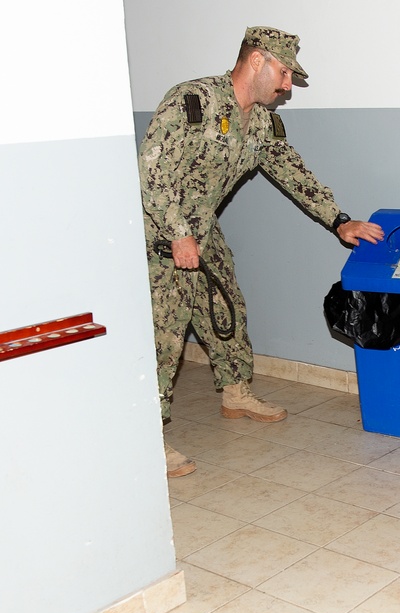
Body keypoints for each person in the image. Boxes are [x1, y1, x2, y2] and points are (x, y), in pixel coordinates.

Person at [139, 26, 384, 477]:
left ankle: (236, 392)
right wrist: (177, 234)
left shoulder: (262, 122)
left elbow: (292, 171)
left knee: (227, 308)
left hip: (203, 233)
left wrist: (338, 219)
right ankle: (142, 438)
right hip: (159, 237)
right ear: (257, 61)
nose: (288, 85)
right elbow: (151, 175)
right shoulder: (192, 102)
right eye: (285, 72)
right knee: (163, 335)